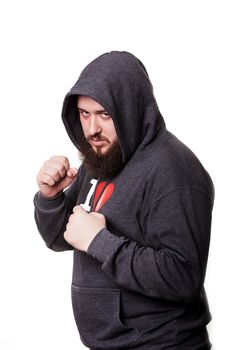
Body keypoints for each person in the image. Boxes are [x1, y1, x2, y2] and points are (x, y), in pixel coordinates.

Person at [34, 51, 214, 350]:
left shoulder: (174, 172)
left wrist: (99, 241)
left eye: (105, 114)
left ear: (130, 109)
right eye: (84, 113)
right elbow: (60, 238)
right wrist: (50, 198)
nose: (92, 130)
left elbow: (183, 277)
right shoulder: (101, 158)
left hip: (164, 344)